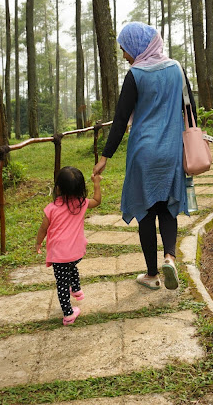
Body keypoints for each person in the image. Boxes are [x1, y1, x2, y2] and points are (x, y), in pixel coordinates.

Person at [93, 22, 197, 292]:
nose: (124, 55)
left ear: (137, 45)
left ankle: (152, 275)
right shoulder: (177, 69)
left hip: (143, 152)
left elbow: (119, 121)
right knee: (168, 207)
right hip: (172, 150)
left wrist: (105, 156)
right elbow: (191, 109)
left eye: (125, 49)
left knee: (147, 212)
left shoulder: (135, 74)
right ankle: (170, 258)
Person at [36, 166, 102, 325]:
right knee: (72, 267)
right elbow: (98, 200)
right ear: (80, 188)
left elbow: (43, 228)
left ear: (58, 188)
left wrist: (38, 242)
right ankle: (77, 289)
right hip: (77, 253)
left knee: (62, 284)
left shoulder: (51, 209)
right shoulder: (82, 204)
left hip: (59, 255)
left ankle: (68, 314)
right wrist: (97, 183)